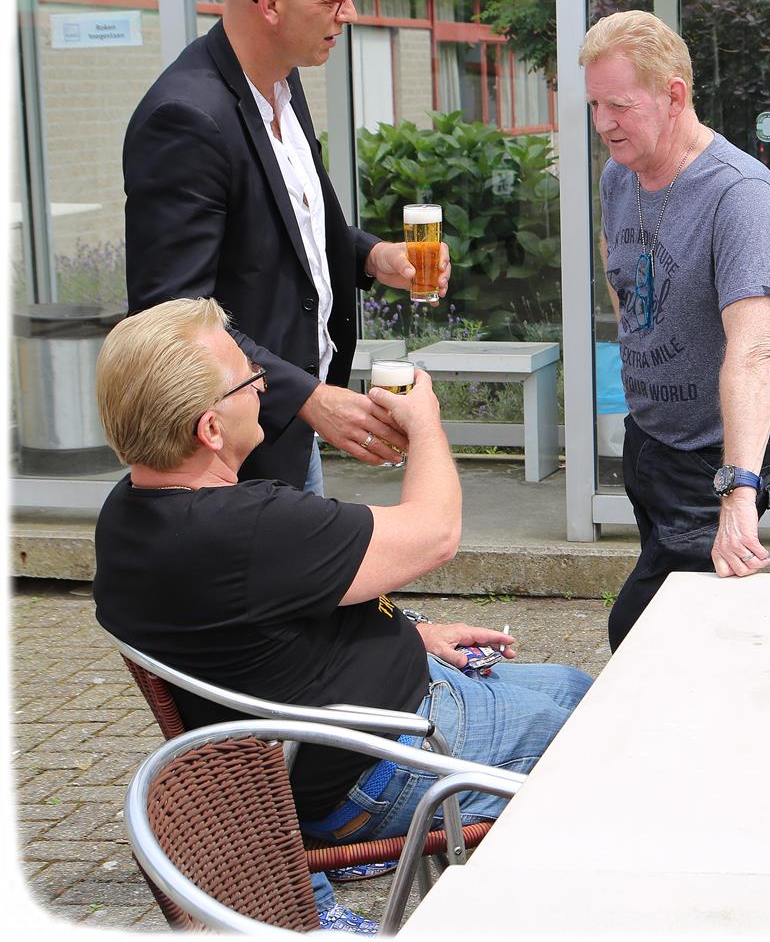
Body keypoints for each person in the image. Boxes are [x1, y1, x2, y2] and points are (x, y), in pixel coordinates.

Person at [91, 298, 592, 934]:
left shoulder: (129, 512)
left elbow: (261, 623)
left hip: (328, 738)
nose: (264, 385)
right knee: (604, 740)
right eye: (248, 379)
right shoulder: (250, 530)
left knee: (579, 689)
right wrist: (427, 424)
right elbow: (435, 533)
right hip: (382, 757)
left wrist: (416, 633)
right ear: (210, 429)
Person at [123, 0, 447, 495]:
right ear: (272, 3)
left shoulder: (282, 80)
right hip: (227, 456)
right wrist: (309, 398)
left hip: (286, 431)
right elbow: (171, 318)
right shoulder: (185, 118)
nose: (349, 14)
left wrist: (373, 257)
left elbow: (288, 225)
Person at [578, 10, 770, 651]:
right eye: (594, 105)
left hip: (717, 451)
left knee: (640, 630)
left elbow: (757, 350)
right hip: (650, 433)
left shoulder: (740, 195)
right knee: (692, 626)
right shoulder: (620, 173)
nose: (603, 123)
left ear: (674, 96)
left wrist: (738, 490)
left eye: (619, 105)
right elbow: (622, 265)